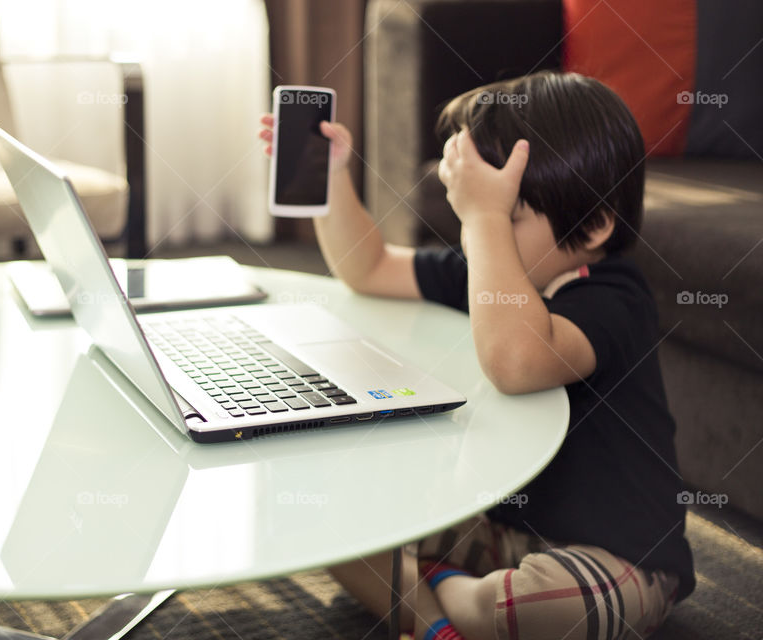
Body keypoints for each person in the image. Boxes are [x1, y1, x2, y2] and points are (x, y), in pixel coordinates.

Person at [258, 71, 694, 640]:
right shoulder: (490, 270)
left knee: (530, 606)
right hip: (499, 527)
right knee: (330, 515)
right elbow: (369, 268)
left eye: (505, 217)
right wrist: (334, 176)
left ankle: (432, 598)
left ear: (591, 226)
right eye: (468, 216)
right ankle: (444, 618)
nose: (475, 238)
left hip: (617, 556)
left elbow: (515, 361)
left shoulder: (614, 298)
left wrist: (484, 219)